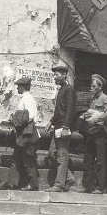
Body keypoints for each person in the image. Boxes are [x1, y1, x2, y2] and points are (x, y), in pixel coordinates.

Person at [82, 73, 107, 194]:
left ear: (100, 87)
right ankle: (89, 186)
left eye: (93, 85)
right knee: (88, 159)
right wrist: (86, 115)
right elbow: (91, 112)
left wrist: (95, 119)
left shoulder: (105, 98)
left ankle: (100, 187)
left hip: (101, 133)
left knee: (100, 160)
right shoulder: (93, 99)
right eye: (91, 85)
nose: (91, 87)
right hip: (91, 132)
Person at [48, 64, 77, 192]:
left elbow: (70, 110)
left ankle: (59, 184)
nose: (55, 77)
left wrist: (66, 126)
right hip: (57, 126)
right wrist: (51, 121)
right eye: (54, 74)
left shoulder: (69, 89)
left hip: (63, 128)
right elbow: (59, 110)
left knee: (62, 156)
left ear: (64, 75)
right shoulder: (61, 90)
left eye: (57, 74)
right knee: (52, 153)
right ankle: (69, 178)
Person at [9, 76, 40, 191]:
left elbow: (30, 116)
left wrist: (16, 120)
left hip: (27, 132)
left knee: (27, 158)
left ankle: (33, 184)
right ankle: (12, 182)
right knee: (17, 157)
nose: (17, 88)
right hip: (24, 131)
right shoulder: (26, 98)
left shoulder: (26, 99)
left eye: (18, 86)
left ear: (23, 87)